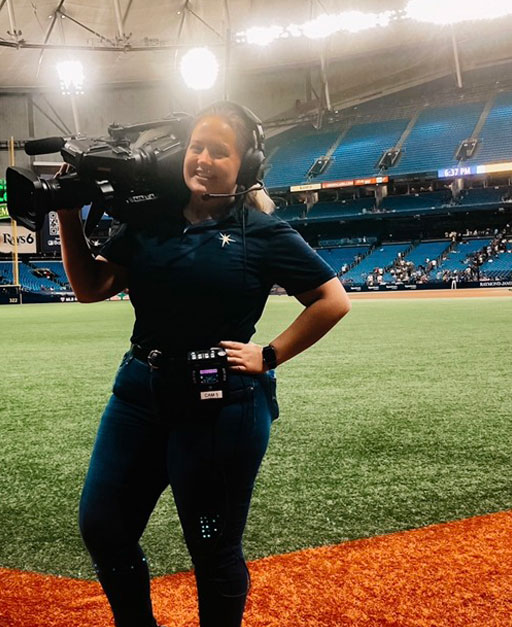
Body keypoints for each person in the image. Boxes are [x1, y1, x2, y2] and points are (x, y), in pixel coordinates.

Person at [55, 101, 350, 627]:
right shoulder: (150, 222)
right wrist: (66, 213)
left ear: (247, 164)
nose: (204, 159)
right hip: (139, 394)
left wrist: (269, 354)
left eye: (220, 151)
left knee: (211, 547)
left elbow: (332, 299)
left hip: (220, 407)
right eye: (197, 147)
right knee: (104, 527)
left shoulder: (261, 231)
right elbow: (90, 287)